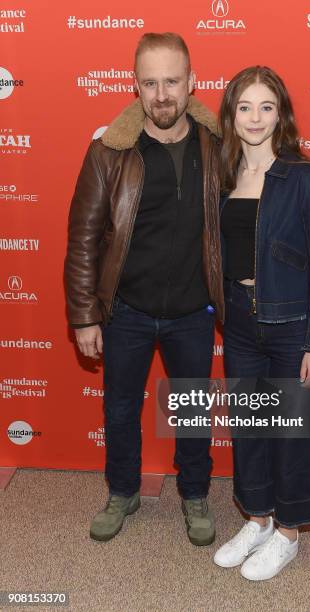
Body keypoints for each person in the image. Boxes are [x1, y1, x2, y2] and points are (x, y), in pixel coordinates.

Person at [64, 33, 224, 545]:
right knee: (120, 408)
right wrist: (85, 315)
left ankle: (195, 494)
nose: (161, 94)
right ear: (136, 86)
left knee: (194, 407)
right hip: (126, 311)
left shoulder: (218, 147)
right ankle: (122, 490)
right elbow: (84, 236)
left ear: (192, 83)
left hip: (193, 311)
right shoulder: (109, 151)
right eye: (150, 82)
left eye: (171, 81)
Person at [213, 66, 310, 580]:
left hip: (291, 323)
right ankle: (258, 520)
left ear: (280, 113)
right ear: (231, 115)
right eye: (245, 107)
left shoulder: (305, 176)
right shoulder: (222, 176)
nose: (255, 117)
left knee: (291, 433)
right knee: (249, 429)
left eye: (266, 106)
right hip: (240, 324)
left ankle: (289, 532)